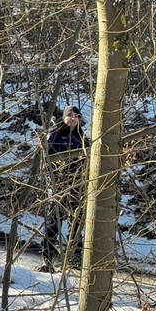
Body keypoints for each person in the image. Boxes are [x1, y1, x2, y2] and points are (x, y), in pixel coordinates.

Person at [42, 105, 89, 270]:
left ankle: (74, 260)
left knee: (75, 223)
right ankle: (47, 260)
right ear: (64, 117)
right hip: (58, 186)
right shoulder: (53, 135)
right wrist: (52, 182)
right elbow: (45, 162)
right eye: (70, 116)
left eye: (76, 116)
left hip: (76, 186)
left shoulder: (82, 138)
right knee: (54, 223)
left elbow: (87, 161)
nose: (73, 119)